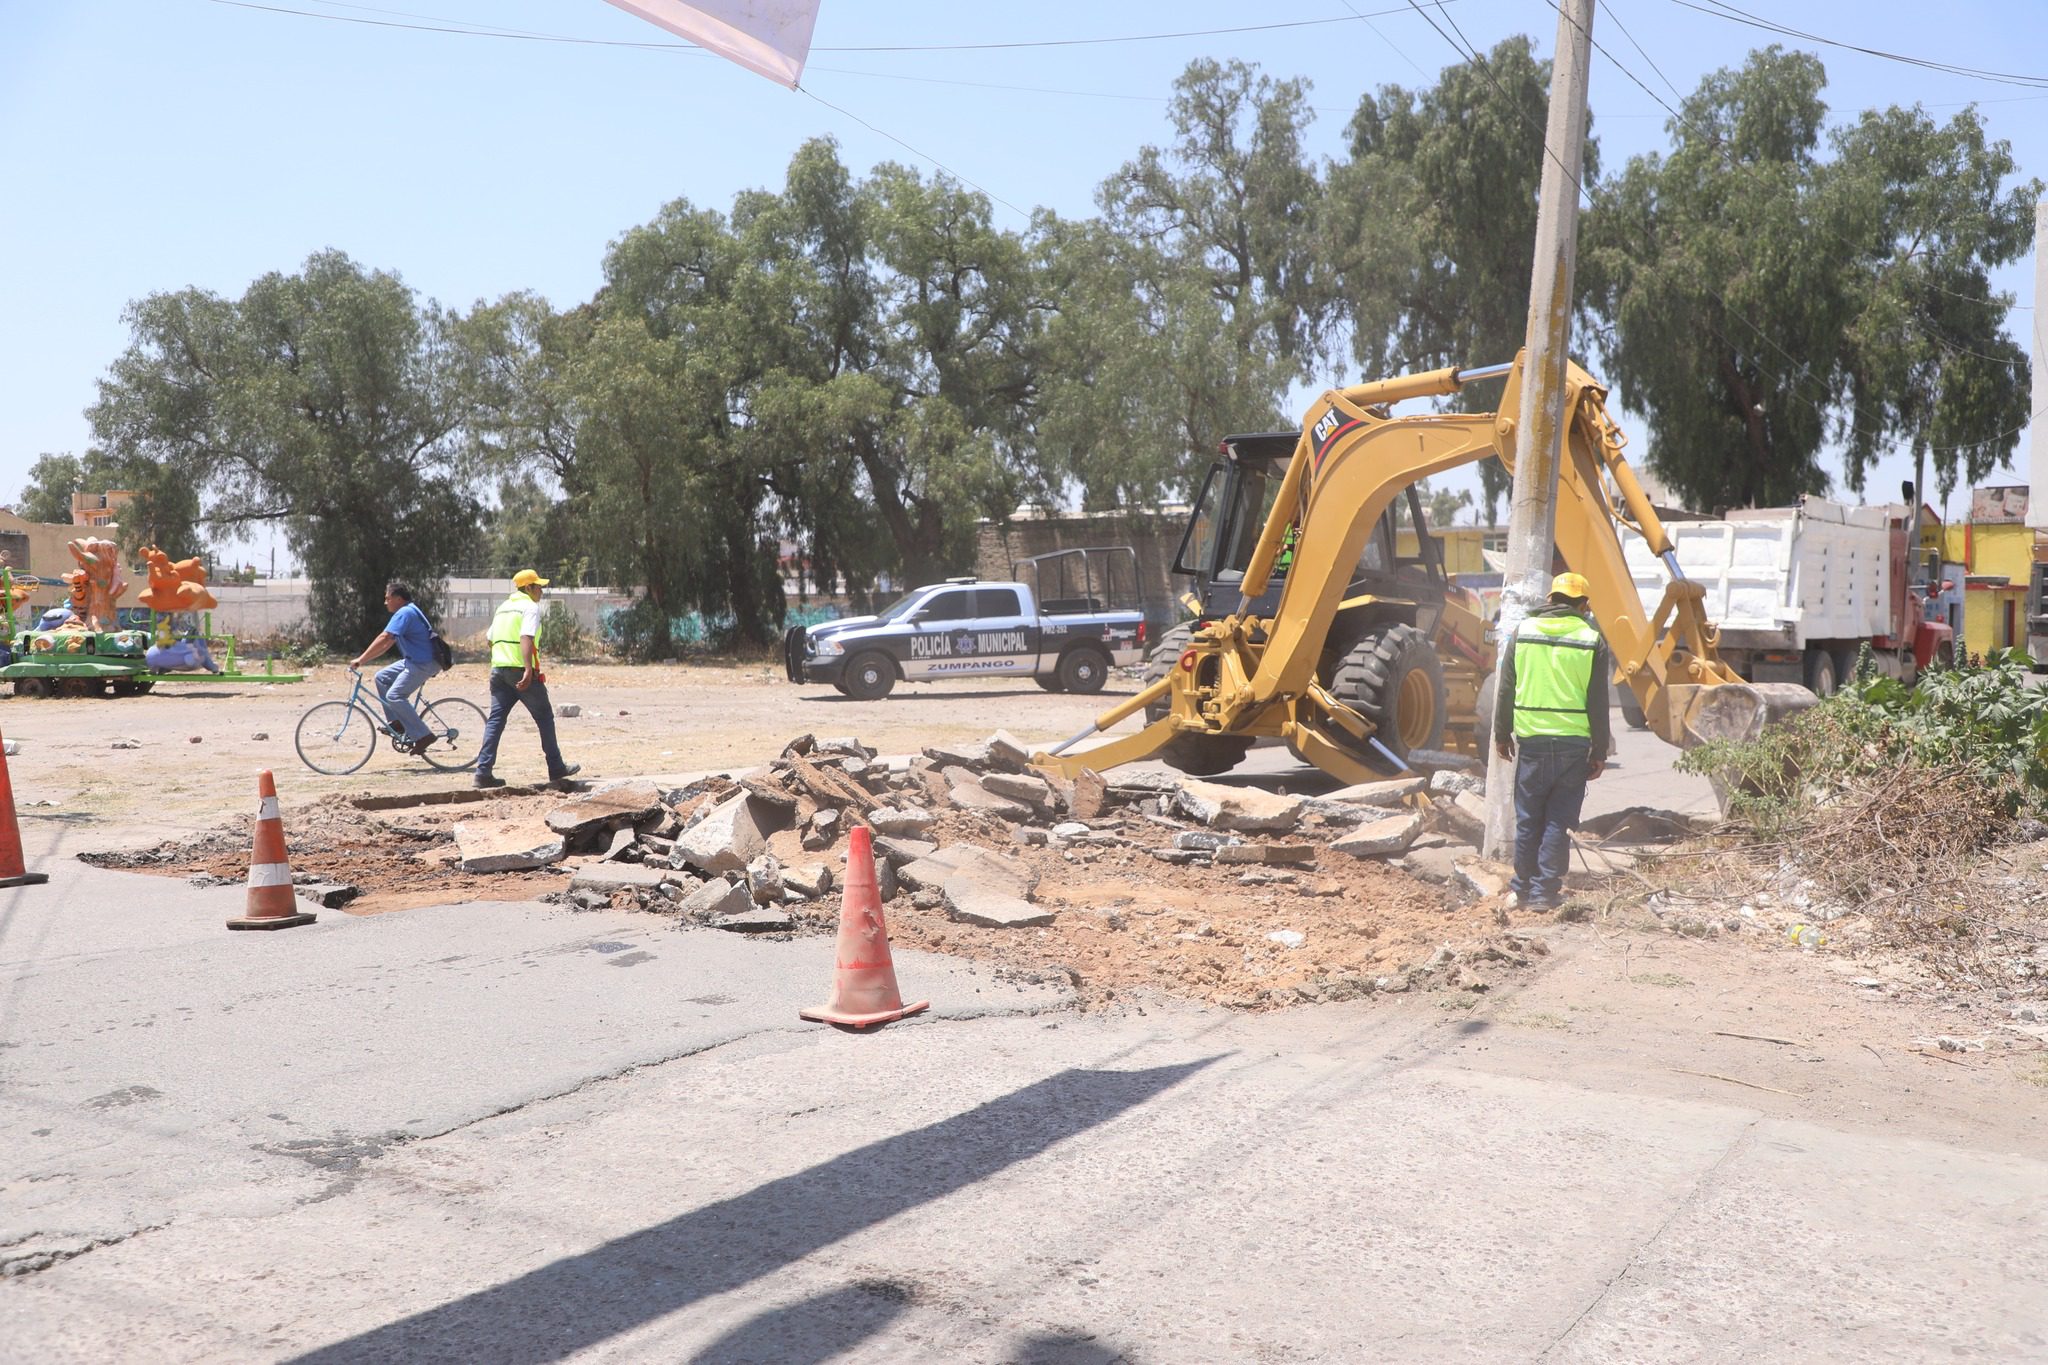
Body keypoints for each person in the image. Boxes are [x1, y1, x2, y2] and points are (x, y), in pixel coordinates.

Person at [1492, 571, 1610, 910]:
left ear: (1550, 600)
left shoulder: (1523, 632)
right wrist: (1599, 750)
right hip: (1573, 745)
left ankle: (1522, 889)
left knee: (1529, 817)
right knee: (1559, 820)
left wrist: (1502, 733)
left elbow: (1506, 688)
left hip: (1531, 741)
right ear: (1584, 605)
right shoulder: (1591, 639)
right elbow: (1598, 702)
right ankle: (1545, 893)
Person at [472, 569, 580, 789]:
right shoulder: (530, 607)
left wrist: (502, 660)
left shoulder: (503, 608)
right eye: (538, 586)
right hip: (519, 669)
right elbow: (526, 637)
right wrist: (528, 669)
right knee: (544, 716)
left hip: (498, 670)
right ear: (528, 588)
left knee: (495, 721)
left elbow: (490, 639)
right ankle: (556, 767)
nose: (541, 590)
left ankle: (483, 772)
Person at [349, 580, 439, 756]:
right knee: (382, 677)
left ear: (398, 598)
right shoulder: (407, 611)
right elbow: (387, 643)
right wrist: (365, 660)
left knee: (395, 695)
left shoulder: (404, 613)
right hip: (413, 660)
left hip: (423, 663)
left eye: (387, 598)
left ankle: (424, 735)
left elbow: (384, 637)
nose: (385, 602)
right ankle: (397, 722)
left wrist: (360, 659)